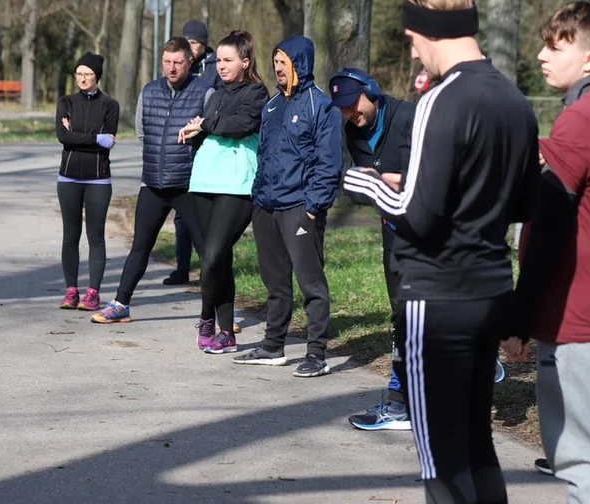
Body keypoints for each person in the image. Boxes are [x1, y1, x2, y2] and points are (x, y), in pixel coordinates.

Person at [343, 0, 539, 503]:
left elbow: (417, 215)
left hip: (437, 298)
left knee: (443, 461)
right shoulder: (515, 101)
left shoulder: (439, 101)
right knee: (478, 447)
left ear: (431, 30)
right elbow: (523, 206)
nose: (412, 55)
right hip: (491, 292)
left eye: (411, 40)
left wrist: (356, 178)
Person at [502, 0, 590, 504]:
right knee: (573, 452)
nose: (541, 55)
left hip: (586, 310)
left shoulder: (584, 119)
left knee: (587, 457)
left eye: (554, 46)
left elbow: (554, 226)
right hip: (585, 307)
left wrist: (518, 314)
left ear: (588, 59)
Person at [233, 35, 341, 377]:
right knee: (274, 282)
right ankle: (273, 346)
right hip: (266, 205)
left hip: (299, 207)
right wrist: (257, 198)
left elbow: (329, 163)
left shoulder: (320, 105)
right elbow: (264, 154)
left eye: (284, 62)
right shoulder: (272, 105)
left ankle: (316, 353)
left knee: (311, 284)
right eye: (276, 62)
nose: (278, 68)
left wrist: (312, 207)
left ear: (300, 64)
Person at [91, 37, 211, 324]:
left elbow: (210, 135)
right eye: (167, 62)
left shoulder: (205, 93)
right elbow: (142, 133)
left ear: (189, 62)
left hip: (188, 185)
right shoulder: (149, 91)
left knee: (209, 252)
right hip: (153, 184)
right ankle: (121, 304)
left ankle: (220, 313)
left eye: (178, 63)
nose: (171, 68)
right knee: (140, 248)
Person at [329, 68, 415, 430]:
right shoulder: (353, 132)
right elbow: (360, 185)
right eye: (343, 109)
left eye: (352, 104)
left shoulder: (410, 116)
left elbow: (436, 173)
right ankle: (400, 401)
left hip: (433, 233)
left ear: (372, 91)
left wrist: (392, 180)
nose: (350, 113)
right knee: (401, 314)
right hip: (394, 232)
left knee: (430, 311)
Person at [177, 31, 268, 353]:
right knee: (215, 259)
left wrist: (208, 124)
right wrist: (194, 129)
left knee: (214, 255)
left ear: (245, 62)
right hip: (203, 181)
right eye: (218, 60)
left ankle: (206, 318)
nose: (221, 66)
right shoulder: (214, 94)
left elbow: (240, 125)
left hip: (237, 184)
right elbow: (215, 124)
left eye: (228, 60)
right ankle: (226, 332)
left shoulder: (257, 93)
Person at [54, 52, 119, 312]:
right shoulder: (65, 102)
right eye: (79, 74)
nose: (82, 78)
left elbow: (109, 141)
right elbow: (63, 137)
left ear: (97, 76)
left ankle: (92, 293)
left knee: (96, 237)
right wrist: (94, 139)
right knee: (70, 236)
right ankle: (71, 291)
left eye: (88, 74)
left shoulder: (109, 105)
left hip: (98, 180)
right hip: (68, 178)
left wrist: (76, 134)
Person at [166, 18, 218, 287]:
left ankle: (207, 269)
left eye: (195, 42)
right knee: (181, 216)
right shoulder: (180, 64)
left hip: (206, 143)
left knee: (201, 214)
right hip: (182, 146)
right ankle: (181, 268)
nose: (191, 45)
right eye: (188, 41)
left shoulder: (214, 66)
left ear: (204, 44)